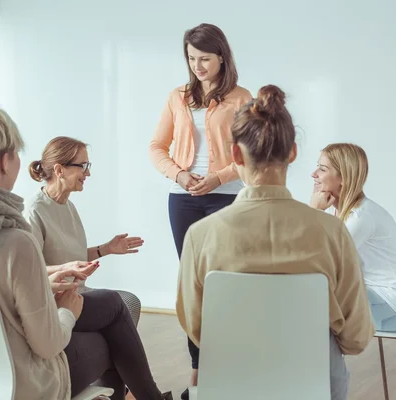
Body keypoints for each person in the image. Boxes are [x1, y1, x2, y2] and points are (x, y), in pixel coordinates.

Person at [0, 105, 172, 400]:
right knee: (112, 328)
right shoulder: (13, 241)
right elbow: (49, 344)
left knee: (115, 310)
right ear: (5, 162)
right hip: (22, 384)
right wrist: (68, 311)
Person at [176, 85, 375, 400]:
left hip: (231, 382)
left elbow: (198, 331)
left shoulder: (201, 235)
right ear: (293, 151)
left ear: (236, 154)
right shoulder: (331, 231)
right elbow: (356, 337)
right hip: (313, 387)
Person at [148, 23, 252, 397]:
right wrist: (179, 175)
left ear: (222, 56)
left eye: (204, 58)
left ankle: (230, 367)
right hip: (184, 200)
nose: (197, 66)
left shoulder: (242, 99)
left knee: (225, 282)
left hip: (228, 198)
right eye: (191, 59)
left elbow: (251, 156)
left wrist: (218, 178)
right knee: (194, 285)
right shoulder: (178, 96)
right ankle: (198, 370)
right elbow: (157, 147)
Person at [25, 136, 143, 327]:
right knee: (117, 301)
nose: (87, 173)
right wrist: (65, 269)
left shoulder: (68, 205)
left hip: (78, 290)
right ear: (59, 170)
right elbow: (30, 270)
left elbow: (71, 257)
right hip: (57, 295)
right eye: (83, 166)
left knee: (130, 301)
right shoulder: (34, 211)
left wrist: (107, 248)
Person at [310, 143, 396, 332]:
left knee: (314, 305)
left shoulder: (361, 217)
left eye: (322, 169)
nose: (314, 174)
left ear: (342, 176)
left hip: (392, 310)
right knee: (311, 300)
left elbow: (320, 261)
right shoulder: (343, 211)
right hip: (375, 299)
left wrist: (313, 211)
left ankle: (318, 361)